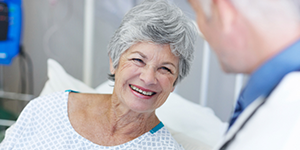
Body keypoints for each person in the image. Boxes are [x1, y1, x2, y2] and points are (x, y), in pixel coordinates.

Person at [0, 0, 197, 149]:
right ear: (114, 61)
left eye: (165, 69)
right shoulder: (47, 111)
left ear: (174, 83)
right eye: (138, 60)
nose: (148, 78)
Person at [188, 0, 300, 149]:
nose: (201, 28)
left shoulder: (286, 124)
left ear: (223, 13)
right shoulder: (273, 94)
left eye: (197, 12)